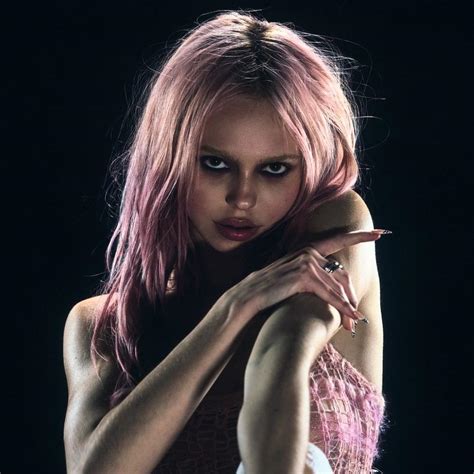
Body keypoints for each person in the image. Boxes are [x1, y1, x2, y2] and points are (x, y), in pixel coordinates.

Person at [63, 10, 390, 474]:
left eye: (274, 169)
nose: (242, 197)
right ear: (168, 159)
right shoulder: (104, 326)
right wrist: (235, 308)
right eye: (215, 164)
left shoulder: (335, 228)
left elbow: (284, 351)